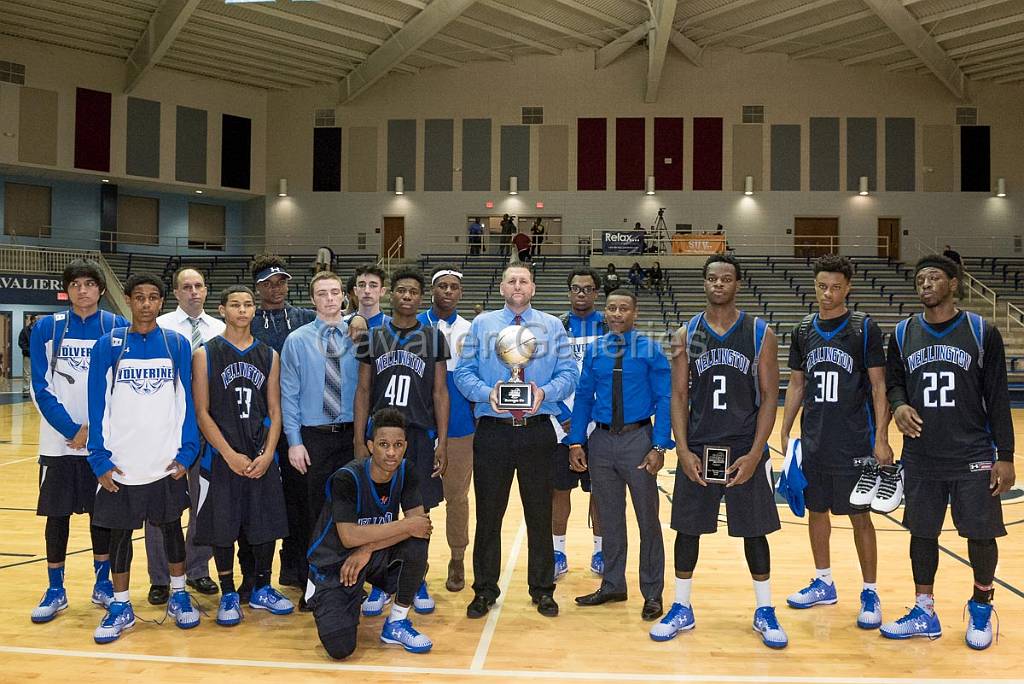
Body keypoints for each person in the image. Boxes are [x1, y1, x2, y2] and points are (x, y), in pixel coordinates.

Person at [652, 254, 787, 649]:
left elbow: (768, 399)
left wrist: (757, 453)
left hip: (745, 447)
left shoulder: (760, 332)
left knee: (755, 531)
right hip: (700, 446)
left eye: (726, 278)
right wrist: (682, 448)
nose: (718, 284)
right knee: (687, 528)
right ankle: (681, 606)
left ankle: (765, 609)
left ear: (737, 284)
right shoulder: (685, 333)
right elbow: (677, 395)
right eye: (712, 278)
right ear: (704, 283)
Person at [881, 254, 1014, 650]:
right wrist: (900, 404)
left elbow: (999, 396)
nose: (925, 284)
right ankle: (924, 609)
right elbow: (894, 381)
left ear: (953, 283)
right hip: (921, 454)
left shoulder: (980, 331)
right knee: (921, 533)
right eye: (920, 278)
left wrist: (1004, 454)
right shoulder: (903, 334)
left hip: (972, 450)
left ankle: (981, 606)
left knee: (980, 534)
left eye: (934, 277)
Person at [455, 264, 578, 619]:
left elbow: (569, 374)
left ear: (533, 288)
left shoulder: (552, 326)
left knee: (539, 514)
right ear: (502, 288)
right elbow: (464, 373)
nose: (518, 285)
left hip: (538, 429)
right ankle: (484, 590)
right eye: (511, 280)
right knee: (489, 516)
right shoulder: (483, 325)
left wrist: (544, 391)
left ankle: (543, 589)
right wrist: (487, 393)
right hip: (494, 431)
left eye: (523, 280)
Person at [778, 255, 892, 629]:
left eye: (836, 287)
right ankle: (824, 581)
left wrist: (882, 438)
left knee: (861, 516)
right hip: (814, 441)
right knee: (817, 512)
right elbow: (797, 383)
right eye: (822, 286)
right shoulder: (802, 330)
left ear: (848, 288)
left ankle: (871, 591)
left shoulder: (864, 328)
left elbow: (878, 387)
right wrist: (785, 426)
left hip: (855, 442)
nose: (828, 294)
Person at [86, 273, 200, 643]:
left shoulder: (176, 343)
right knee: (119, 536)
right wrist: (99, 459)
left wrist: (186, 452)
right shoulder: (108, 345)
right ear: (129, 301)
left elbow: (188, 404)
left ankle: (179, 595)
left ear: (161, 302)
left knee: (171, 530)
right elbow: (95, 404)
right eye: (139, 297)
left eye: (153, 297)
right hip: (122, 463)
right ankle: (121, 605)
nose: (146, 304)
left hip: (165, 461)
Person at [28, 259, 128, 623]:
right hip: (58, 443)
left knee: (103, 515)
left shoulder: (117, 326)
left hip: (102, 444)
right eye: (75, 284)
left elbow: (122, 387)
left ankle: (103, 584)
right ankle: (56, 589)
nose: (82, 290)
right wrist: (72, 430)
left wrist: (94, 431)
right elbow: (40, 386)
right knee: (57, 517)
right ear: (67, 289)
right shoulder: (47, 327)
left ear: (101, 289)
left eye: (89, 283)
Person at [193, 285, 294, 626]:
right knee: (222, 528)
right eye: (234, 304)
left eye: (248, 304)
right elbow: (202, 412)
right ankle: (228, 593)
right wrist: (228, 453)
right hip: (221, 458)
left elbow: (276, 411)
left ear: (254, 311)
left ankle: (263, 587)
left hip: (260, 456)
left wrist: (267, 455)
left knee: (264, 525)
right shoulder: (206, 354)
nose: (242, 310)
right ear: (221, 309)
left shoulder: (269, 355)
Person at [569, 289, 670, 622]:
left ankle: (652, 592)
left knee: (647, 521)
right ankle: (613, 584)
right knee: (610, 520)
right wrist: (575, 441)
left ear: (635, 313)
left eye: (623, 308)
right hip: (601, 442)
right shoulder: (596, 350)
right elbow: (583, 397)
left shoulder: (650, 350)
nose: (616, 314)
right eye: (611, 308)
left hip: (637, 440)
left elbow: (666, 399)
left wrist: (659, 445)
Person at [355, 268, 450, 616]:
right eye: (401, 291)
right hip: (380, 437)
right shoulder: (372, 336)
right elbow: (363, 390)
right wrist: (358, 437)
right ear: (390, 295)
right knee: (379, 513)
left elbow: (440, 392)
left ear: (420, 299)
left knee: (417, 512)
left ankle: (416, 578)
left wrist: (442, 440)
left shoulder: (433, 336)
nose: (406, 296)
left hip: (417, 437)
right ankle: (382, 581)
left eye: (413, 292)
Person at [306, 408, 434, 659]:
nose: (391, 452)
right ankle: (330, 595)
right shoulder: (346, 478)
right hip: (335, 563)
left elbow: (421, 527)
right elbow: (349, 537)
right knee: (341, 649)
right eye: (384, 444)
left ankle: (396, 622)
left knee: (417, 544)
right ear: (370, 445)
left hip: (368, 555)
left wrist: (367, 549)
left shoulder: (407, 471)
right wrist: (407, 526)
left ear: (405, 446)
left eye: (398, 445)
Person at [146, 267, 225, 604]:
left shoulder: (221, 330)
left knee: (204, 503)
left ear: (206, 291)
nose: (193, 292)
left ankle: (196, 570)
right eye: (186, 287)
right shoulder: (160, 327)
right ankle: (160, 578)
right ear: (175, 293)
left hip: (209, 429)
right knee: (160, 505)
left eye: (198, 286)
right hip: (167, 430)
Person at [280, 271, 357, 611]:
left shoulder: (360, 336)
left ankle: (350, 582)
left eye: (335, 292)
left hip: (351, 435)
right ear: (312, 299)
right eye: (322, 293)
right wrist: (294, 441)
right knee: (313, 513)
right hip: (314, 437)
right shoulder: (297, 340)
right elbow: (289, 394)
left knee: (351, 512)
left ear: (344, 297)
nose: (329, 298)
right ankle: (314, 584)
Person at [249, 255, 315, 600]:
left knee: (299, 502)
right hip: (256, 426)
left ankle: (297, 571)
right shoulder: (248, 321)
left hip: (296, 423)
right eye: (268, 283)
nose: (275, 289)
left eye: (281, 282)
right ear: (258, 287)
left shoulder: (305, 317)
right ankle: (255, 577)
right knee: (261, 503)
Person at [417, 266, 475, 592]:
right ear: (433, 291)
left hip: (459, 428)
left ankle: (457, 558)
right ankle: (417, 560)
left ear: (460, 293)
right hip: (419, 427)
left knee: (457, 498)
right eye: (442, 286)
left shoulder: (472, 330)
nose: (448, 292)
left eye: (454, 287)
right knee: (417, 501)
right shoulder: (415, 327)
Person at [553, 268, 606, 581]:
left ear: (596, 292)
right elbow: (544, 373)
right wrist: (562, 414)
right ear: (569, 292)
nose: (581, 293)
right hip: (562, 422)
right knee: (559, 490)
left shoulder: (609, 326)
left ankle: (600, 550)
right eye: (575, 288)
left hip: (599, 423)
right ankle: (557, 551)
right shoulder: (556, 327)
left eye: (587, 289)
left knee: (600, 492)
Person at [19, 315, 35, 398]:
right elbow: (21, 343)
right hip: (27, 355)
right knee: (27, 373)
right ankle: (26, 390)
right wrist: (29, 350)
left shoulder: (39, 330)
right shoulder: (25, 331)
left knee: (37, 373)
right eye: (36, 320)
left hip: (38, 356)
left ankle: (35, 390)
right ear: (32, 320)